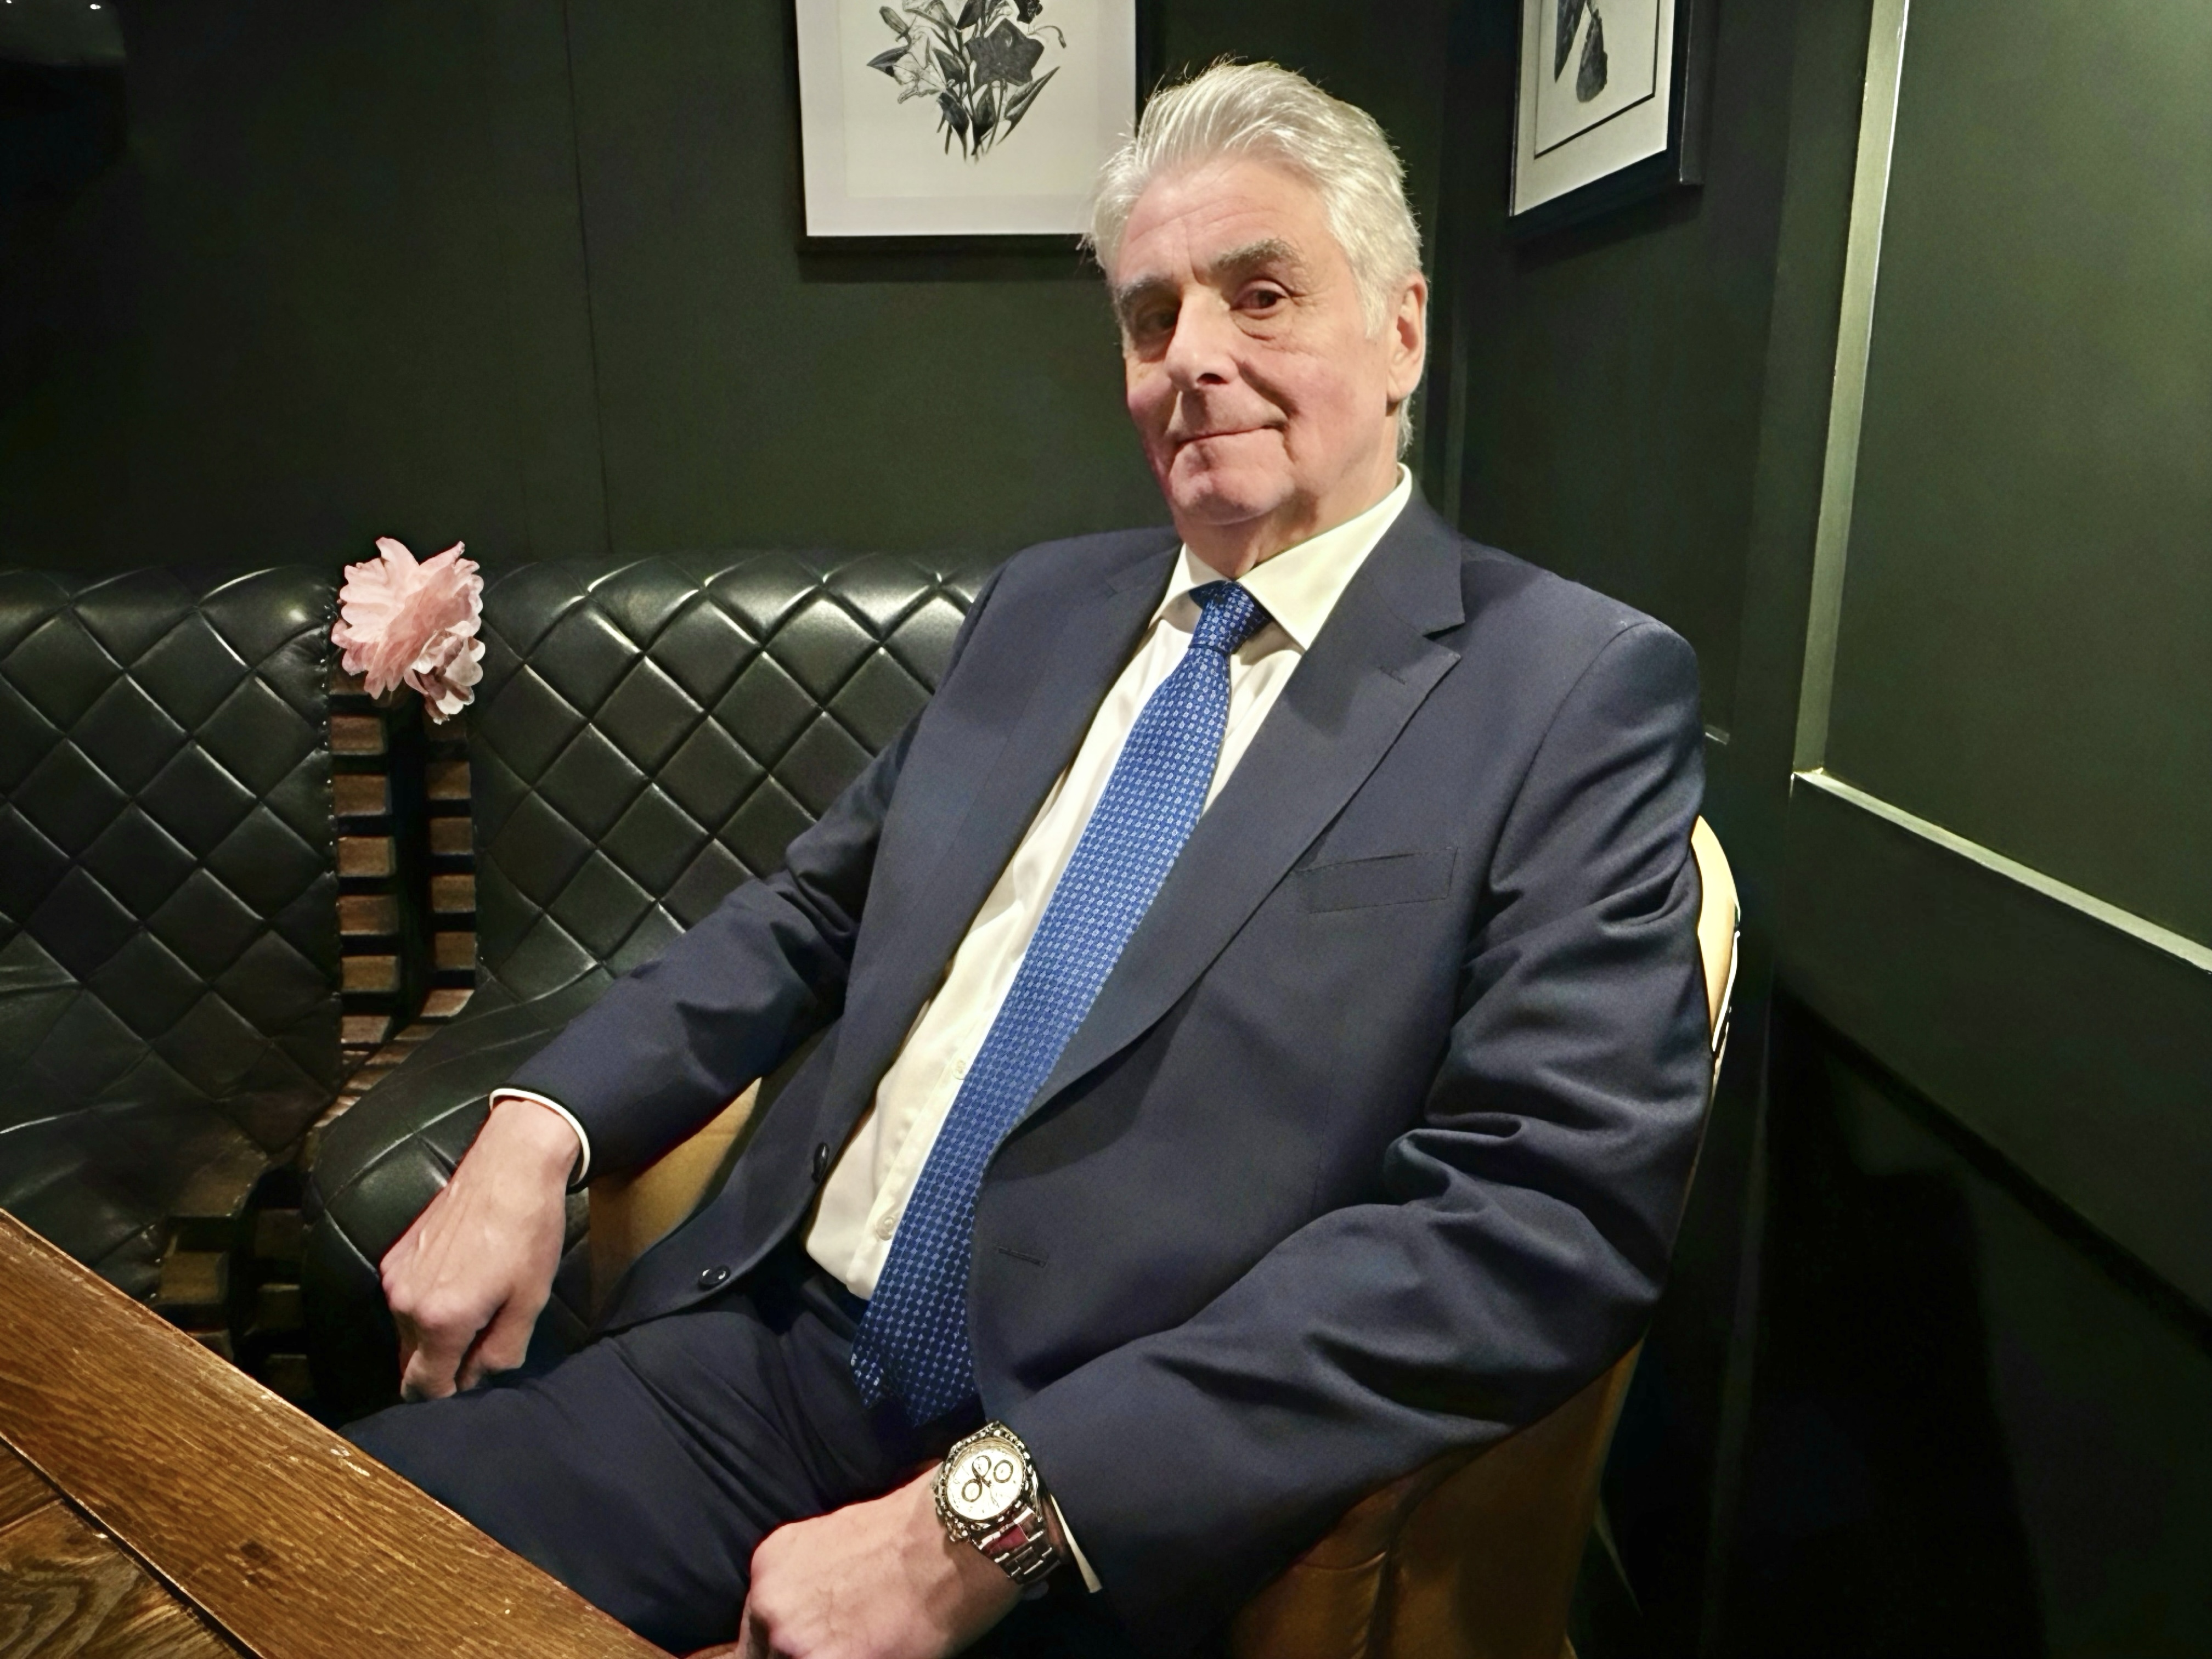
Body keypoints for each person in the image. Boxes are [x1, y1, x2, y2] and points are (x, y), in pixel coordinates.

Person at [346, 61, 1711, 1659]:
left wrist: (991, 1520)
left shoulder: (1568, 688)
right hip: (764, 1364)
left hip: (1098, 1491)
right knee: (300, 1549)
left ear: (1403, 329)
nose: (1193, 357)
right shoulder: (1045, 605)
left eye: (1261, 295)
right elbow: (810, 913)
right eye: (1151, 317)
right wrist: (540, 1128)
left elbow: (1542, 1214)